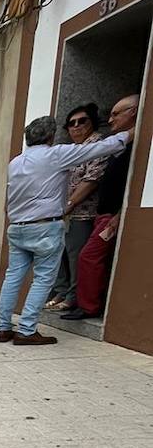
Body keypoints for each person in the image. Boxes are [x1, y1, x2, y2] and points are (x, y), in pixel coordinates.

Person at [0, 111, 132, 343]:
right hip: (44, 228)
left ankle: (3, 327)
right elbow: (96, 150)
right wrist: (129, 133)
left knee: (13, 277)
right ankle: (27, 330)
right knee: (43, 279)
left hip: (17, 227)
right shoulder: (55, 155)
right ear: (50, 137)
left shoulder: (15, 162)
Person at [63, 94, 140, 320]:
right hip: (103, 214)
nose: (111, 119)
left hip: (109, 215)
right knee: (85, 257)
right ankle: (83, 302)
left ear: (133, 112)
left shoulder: (122, 143)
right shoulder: (119, 144)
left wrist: (118, 215)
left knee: (87, 256)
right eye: (71, 123)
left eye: (116, 113)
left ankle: (87, 306)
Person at [45, 104, 107, 311]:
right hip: (61, 214)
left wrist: (69, 205)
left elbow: (92, 180)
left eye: (82, 121)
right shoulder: (73, 150)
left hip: (81, 213)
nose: (76, 126)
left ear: (93, 122)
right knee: (59, 253)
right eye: (71, 123)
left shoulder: (96, 145)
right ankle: (62, 291)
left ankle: (72, 296)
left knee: (75, 256)